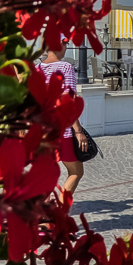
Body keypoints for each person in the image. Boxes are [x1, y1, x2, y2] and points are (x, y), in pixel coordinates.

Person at [39, 42, 89, 194]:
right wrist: (78, 131)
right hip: (62, 130)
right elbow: (68, 100)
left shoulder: (37, 69)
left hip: (42, 130)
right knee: (76, 172)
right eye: (65, 44)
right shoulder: (65, 67)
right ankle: (60, 209)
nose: (66, 48)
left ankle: (43, 211)